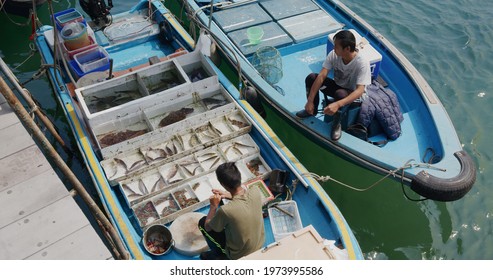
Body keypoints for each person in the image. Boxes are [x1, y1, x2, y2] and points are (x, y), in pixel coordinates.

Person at [296, 30, 371, 141]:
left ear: (347, 49)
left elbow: (360, 90)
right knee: (312, 78)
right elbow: (321, 76)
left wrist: (337, 104)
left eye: (336, 46)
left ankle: (336, 124)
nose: (333, 48)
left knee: (340, 94)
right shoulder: (334, 55)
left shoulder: (362, 63)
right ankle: (311, 110)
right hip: (338, 86)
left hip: (353, 95)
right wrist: (310, 100)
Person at [198, 162, 265, 260]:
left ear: (222, 184)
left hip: (238, 255)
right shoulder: (255, 190)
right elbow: (242, 195)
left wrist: (213, 206)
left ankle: (219, 254)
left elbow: (208, 227)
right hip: (259, 244)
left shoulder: (226, 211)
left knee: (202, 223)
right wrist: (227, 194)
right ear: (239, 177)